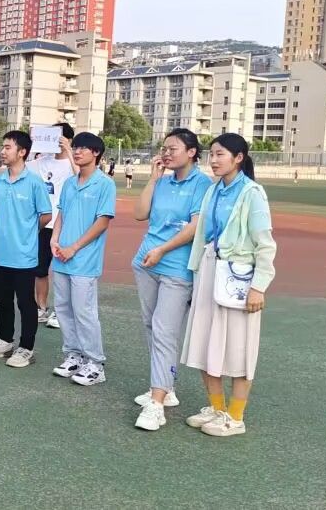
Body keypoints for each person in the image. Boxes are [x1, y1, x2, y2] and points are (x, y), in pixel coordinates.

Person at [180, 133, 276, 438]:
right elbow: (203, 236)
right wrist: (195, 272)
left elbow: (265, 244)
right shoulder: (214, 190)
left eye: (220, 154)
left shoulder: (252, 193)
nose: (213, 160)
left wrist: (259, 286)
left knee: (238, 347)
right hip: (210, 270)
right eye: (212, 154)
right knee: (204, 342)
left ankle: (235, 417)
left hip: (238, 276)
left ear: (239, 157)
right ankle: (217, 408)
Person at [131, 129, 212, 431]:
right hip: (146, 262)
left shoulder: (202, 184)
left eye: (173, 149)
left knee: (165, 330)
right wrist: (153, 179)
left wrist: (163, 250)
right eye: (164, 148)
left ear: (191, 152)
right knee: (152, 325)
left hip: (176, 267)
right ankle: (166, 387)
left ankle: (157, 404)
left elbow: (195, 227)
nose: (166, 154)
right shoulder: (163, 182)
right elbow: (140, 214)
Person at [0, 131, 52, 368]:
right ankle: (5, 341)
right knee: (2, 301)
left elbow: (46, 215)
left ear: (22, 152)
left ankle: (26, 348)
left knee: (25, 303)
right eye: (3, 146)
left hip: (23, 256)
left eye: (8, 147)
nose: (3, 151)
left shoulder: (35, 182)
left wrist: (28, 232)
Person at [50, 132, 116, 386]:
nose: (77, 152)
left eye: (83, 149)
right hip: (61, 257)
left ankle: (95, 363)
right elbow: (62, 214)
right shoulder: (70, 183)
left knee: (84, 312)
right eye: (75, 148)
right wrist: (54, 239)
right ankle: (74, 355)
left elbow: (102, 221)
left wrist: (74, 247)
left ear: (96, 153)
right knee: (63, 309)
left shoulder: (104, 184)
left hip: (84, 260)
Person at [25, 122, 77, 330]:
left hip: (65, 224)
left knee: (64, 269)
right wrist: (32, 145)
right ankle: (41, 307)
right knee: (40, 269)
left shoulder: (75, 163)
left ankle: (61, 310)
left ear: (68, 139)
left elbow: (81, 178)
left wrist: (69, 151)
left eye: (58, 136)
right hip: (44, 222)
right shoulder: (41, 161)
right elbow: (22, 167)